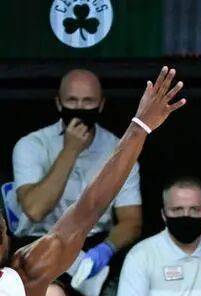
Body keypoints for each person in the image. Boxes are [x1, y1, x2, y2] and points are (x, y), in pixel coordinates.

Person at [0, 66, 186, 296]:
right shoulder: (33, 146)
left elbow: (89, 209)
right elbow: (54, 210)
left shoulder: (24, 276)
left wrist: (139, 128)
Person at [12, 69, 143, 281]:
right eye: (72, 101)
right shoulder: (31, 145)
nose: (80, 108)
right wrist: (70, 150)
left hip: (93, 244)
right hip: (38, 243)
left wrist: (105, 250)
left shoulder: (119, 150)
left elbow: (131, 221)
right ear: (59, 103)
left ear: (101, 104)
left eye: (88, 101)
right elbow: (35, 210)